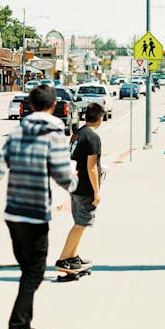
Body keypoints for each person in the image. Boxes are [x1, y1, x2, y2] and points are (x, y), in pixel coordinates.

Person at [0, 83, 76, 329]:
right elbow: (62, 174)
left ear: (30, 106)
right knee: (35, 272)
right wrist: (77, 188)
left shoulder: (17, 131)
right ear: (53, 105)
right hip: (35, 214)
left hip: (13, 214)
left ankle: (26, 328)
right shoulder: (54, 133)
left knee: (27, 272)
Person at [55, 101, 104, 272]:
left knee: (79, 222)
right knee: (81, 224)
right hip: (85, 188)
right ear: (100, 118)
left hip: (74, 185)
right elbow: (91, 167)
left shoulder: (78, 133)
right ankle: (62, 260)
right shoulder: (93, 137)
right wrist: (97, 193)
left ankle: (72, 256)